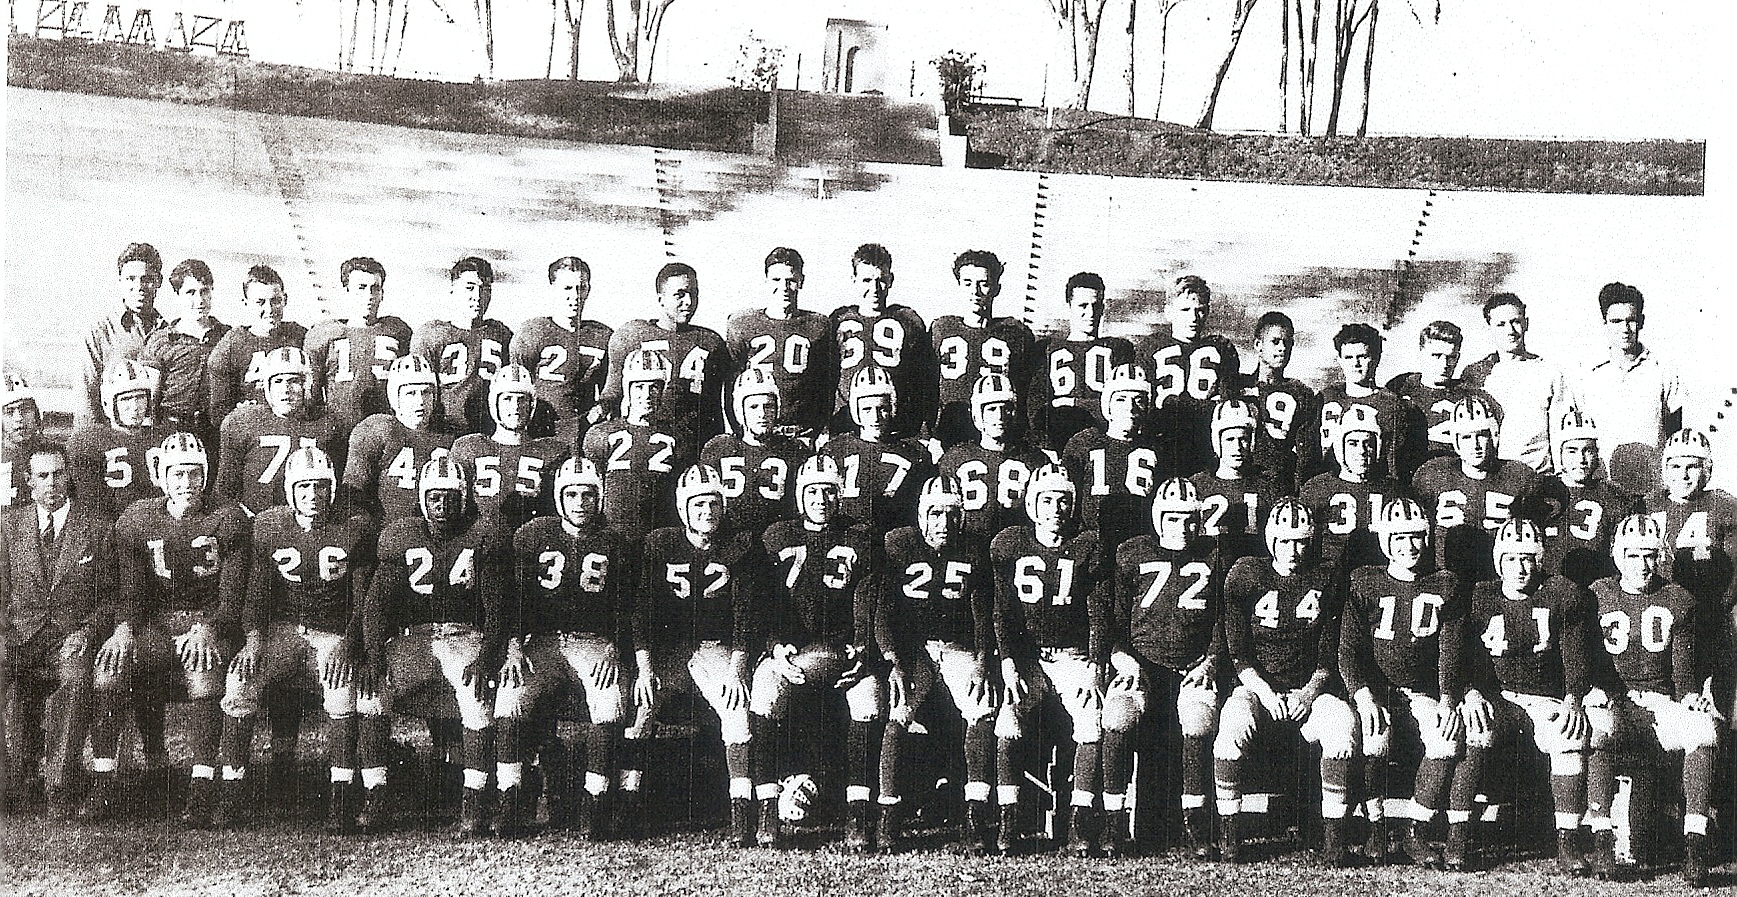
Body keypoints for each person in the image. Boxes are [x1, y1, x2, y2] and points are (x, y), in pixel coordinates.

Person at [85, 433, 251, 825]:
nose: (187, 483)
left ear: (206, 476)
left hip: (208, 623)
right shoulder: (139, 518)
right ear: (161, 475)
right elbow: (132, 592)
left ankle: (202, 785)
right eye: (178, 474)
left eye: (195, 474)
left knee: (204, 675)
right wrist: (124, 629)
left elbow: (232, 599)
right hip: (156, 624)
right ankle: (105, 780)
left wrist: (209, 627)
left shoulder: (228, 518)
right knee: (109, 669)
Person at [217, 446, 374, 832]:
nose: (312, 495)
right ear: (289, 491)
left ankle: (341, 795)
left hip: (333, 635)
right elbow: (256, 594)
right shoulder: (271, 527)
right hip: (284, 632)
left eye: (320, 487)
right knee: (239, 682)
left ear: (332, 488)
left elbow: (365, 601)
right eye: (303, 487)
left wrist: (347, 643)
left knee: (342, 694)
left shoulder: (354, 527)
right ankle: (232, 791)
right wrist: (253, 640)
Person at [357, 456, 512, 836]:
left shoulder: (482, 537)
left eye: (448, 497)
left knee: (477, 700)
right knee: (371, 696)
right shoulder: (400, 536)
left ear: (463, 499)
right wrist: (375, 657)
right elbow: (376, 605)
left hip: (463, 636)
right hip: (415, 637)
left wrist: (488, 655)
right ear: (421, 499)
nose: (441, 506)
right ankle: (376, 795)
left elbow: (498, 609)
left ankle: (474, 800)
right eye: (433, 498)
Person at [624, 463, 766, 846]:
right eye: (698, 504)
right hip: (670, 650)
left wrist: (737, 669)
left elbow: (746, 615)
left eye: (714, 504)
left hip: (715, 648)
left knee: (737, 712)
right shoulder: (659, 544)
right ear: (683, 508)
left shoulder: (739, 546)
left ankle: (742, 813)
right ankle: (627, 802)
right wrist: (644, 667)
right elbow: (643, 610)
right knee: (642, 707)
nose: (707, 512)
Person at [493, 457, 633, 838]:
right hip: (544, 643)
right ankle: (511, 799)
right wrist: (512, 647)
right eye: (571, 493)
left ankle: (595, 803)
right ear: (558, 497)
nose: (580, 501)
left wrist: (615, 648)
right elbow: (515, 598)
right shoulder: (534, 536)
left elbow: (629, 605)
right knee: (510, 697)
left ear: (600, 498)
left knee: (609, 704)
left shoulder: (615, 542)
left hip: (594, 644)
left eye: (589, 494)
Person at [753, 455, 884, 851]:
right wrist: (775, 647)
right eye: (813, 491)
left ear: (840, 494)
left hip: (844, 652)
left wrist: (864, 651)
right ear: (799, 495)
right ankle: (766, 812)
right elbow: (763, 600)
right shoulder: (777, 536)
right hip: (789, 652)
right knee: (763, 696)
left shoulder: (860, 538)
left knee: (870, 701)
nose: (821, 499)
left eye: (829, 490)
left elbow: (872, 601)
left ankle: (857, 817)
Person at [991, 463, 1121, 857]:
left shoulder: (1087, 546)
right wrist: (1009, 660)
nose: (1055, 508)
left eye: (1063, 501)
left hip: (1072, 656)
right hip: (1028, 657)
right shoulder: (1010, 544)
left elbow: (1100, 612)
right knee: (1009, 720)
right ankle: (1008, 820)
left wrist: (1097, 664)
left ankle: (1082, 818)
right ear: (1031, 504)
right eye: (1046, 500)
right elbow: (1002, 611)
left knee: (1091, 722)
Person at [1216, 499, 1355, 865]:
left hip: (1310, 688)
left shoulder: (1326, 576)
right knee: (1232, 724)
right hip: (1258, 687)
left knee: (1341, 724)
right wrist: (1265, 692)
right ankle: (1229, 835)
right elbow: (1240, 654)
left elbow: (1329, 655)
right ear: (1269, 539)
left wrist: (1309, 693)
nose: (1293, 550)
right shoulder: (1246, 574)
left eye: (1301, 541)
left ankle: (1334, 841)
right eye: (1285, 540)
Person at [1341, 498, 1477, 870]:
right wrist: (1363, 694)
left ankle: (1417, 829)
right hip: (1378, 689)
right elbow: (1349, 650)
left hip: (1423, 691)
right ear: (1385, 542)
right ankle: (1377, 826)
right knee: (1374, 737)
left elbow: (1451, 651)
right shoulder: (1365, 581)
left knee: (1447, 739)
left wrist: (1448, 699)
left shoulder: (1444, 585)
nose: (1409, 546)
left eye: (1416, 537)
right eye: (1399, 538)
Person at [1583, 514, 1718, 886]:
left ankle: (1695, 843)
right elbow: (1587, 659)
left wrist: (1690, 697)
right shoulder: (1596, 594)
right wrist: (1595, 689)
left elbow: (1682, 671)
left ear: (1660, 556)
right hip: (1616, 700)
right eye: (1632, 555)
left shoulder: (1678, 598)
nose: (1641, 565)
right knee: (1598, 724)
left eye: (1649, 555)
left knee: (1703, 731)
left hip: (1658, 703)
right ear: (1616, 555)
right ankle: (1601, 838)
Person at [1463, 519, 1595, 875]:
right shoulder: (1480, 596)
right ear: (1498, 561)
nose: (1520, 568)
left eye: (1528, 559)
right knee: (1475, 728)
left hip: (1545, 698)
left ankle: (1568, 842)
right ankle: (1457, 837)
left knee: (1569, 736)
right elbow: (1466, 656)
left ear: (1540, 560)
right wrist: (1472, 691)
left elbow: (1575, 655)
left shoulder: (1563, 594)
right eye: (1511, 559)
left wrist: (1573, 699)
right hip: (1499, 696)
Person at [876, 475, 999, 853]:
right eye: (934, 513)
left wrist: (981, 661)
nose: (941, 522)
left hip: (957, 647)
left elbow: (983, 613)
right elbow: (883, 609)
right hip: (914, 651)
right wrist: (894, 659)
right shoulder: (898, 545)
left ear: (960, 517)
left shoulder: (974, 550)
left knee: (981, 707)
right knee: (899, 711)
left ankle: (977, 813)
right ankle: (889, 815)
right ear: (920, 515)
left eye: (949, 514)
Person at [1107, 477, 1222, 859]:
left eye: (1190, 519)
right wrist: (1121, 656)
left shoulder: (1215, 556)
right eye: (1173, 519)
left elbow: (1225, 620)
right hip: (1141, 665)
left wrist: (1211, 661)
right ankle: (1111, 824)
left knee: (1197, 723)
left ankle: (1196, 825)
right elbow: (1115, 619)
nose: (1182, 527)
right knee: (1117, 718)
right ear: (1158, 518)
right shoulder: (1131, 554)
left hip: (1193, 666)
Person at [0, 442, 114, 817]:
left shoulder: (96, 527)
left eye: (58, 474)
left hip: (68, 636)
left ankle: (59, 786)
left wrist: (85, 632)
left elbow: (109, 597)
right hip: (19, 635)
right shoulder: (7, 526)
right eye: (43, 476)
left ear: (70, 477)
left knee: (77, 676)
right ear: (28, 481)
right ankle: (10, 781)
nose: (52, 483)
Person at [1640, 428, 1737, 724]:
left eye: (1692, 466)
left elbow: (1734, 574)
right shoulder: (1649, 504)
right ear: (1664, 469)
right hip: (1654, 610)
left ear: (1706, 470)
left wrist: (1714, 609)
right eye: (1675, 466)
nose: (1683, 475)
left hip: (1705, 618)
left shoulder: (1722, 507)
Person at [1410, 396, 1545, 585]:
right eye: (1466, 437)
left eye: (1481, 435)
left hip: (1498, 583)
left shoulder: (1520, 476)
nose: (1475, 444)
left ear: (1494, 436)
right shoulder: (1432, 474)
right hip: (1444, 580)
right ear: (1455, 441)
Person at [599, 262, 732, 446]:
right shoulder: (632, 336)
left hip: (693, 445)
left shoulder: (711, 341)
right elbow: (612, 396)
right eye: (680, 294)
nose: (689, 302)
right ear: (661, 299)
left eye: (693, 294)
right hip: (645, 445)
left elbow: (716, 405)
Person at [1576, 282, 1684, 492]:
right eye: (1616, 321)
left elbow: (1675, 432)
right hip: (1602, 487)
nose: (1624, 329)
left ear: (1641, 322)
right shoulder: (1587, 374)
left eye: (1631, 321)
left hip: (1653, 487)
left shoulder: (1663, 370)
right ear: (1604, 323)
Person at [215, 346, 345, 516]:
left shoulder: (327, 424)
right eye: (278, 381)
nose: (286, 389)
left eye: (293, 381)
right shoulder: (242, 422)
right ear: (267, 386)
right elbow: (226, 490)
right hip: (253, 519)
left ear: (307, 384)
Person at [582, 349, 694, 542]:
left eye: (654, 387)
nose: (647, 394)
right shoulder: (601, 433)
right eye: (639, 387)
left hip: (659, 532)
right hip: (611, 533)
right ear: (627, 389)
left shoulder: (679, 436)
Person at [723, 248, 836, 438]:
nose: (784, 287)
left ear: (801, 281)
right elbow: (732, 385)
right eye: (776, 280)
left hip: (802, 431)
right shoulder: (742, 324)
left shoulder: (819, 326)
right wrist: (740, 429)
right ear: (766, 280)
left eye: (791, 281)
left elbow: (825, 385)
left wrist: (818, 429)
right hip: (757, 431)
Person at [931, 251, 1037, 449]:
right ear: (959, 285)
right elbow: (928, 388)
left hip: (998, 433)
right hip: (952, 430)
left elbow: (1026, 394)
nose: (975, 291)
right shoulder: (942, 329)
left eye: (983, 283)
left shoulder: (1015, 333)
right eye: (968, 283)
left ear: (996, 288)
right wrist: (930, 435)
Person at [1137, 275, 1241, 478]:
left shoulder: (1220, 348)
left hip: (1204, 445)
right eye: (1185, 310)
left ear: (1207, 312)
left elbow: (1226, 406)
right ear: (1169, 312)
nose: (1193, 318)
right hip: (1161, 442)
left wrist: (1175, 404)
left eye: (1199, 310)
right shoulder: (1152, 346)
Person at [450, 364, 570, 532]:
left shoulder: (552, 451)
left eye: (522, 399)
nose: (515, 407)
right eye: (507, 399)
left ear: (532, 404)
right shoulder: (469, 447)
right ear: (494, 403)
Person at [1299, 405, 1408, 591]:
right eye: (1353, 443)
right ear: (1340, 446)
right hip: (1328, 581)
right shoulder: (1317, 488)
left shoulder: (1393, 490)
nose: (1362, 450)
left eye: (1368, 443)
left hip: (1378, 584)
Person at [830, 244, 933, 439]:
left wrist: (924, 433)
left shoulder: (907, 320)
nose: (874, 288)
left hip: (896, 428)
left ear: (890, 280)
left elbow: (923, 381)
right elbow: (826, 379)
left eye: (881, 280)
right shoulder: (839, 320)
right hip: (847, 426)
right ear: (854, 280)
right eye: (866, 280)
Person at [1460, 293, 1570, 475]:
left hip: (1537, 477)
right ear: (1490, 328)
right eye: (1500, 324)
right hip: (1491, 479)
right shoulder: (1475, 374)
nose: (1510, 330)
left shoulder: (1549, 373)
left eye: (1515, 321)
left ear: (1526, 323)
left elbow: (1561, 433)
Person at [1027, 272, 1135, 452]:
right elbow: (1036, 408)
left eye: (1096, 305)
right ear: (1069, 306)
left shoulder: (1118, 349)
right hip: (1058, 443)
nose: (1090, 313)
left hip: (1104, 443)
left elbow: (1122, 406)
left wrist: (1071, 403)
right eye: (1083, 305)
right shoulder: (1047, 349)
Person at [508, 256, 613, 441]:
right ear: (553, 289)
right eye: (567, 288)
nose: (575, 295)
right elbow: (515, 388)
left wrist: (599, 411)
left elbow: (610, 392)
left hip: (584, 432)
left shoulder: (602, 336)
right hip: (539, 431)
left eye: (581, 288)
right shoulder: (532, 332)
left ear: (588, 290)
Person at [819, 366, 934, 535]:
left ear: (892, 408)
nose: (875, 417)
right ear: (855, 410)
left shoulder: (913, 452)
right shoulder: (835, 449)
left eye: (882, 409)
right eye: (867, 409)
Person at [342, 355, 456, 523]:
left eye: (426, 392)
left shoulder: (448, 436)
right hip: (386, 530)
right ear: (395, 396)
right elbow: (354, 492)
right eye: (411, 393)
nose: (420, 401)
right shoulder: (379, 429)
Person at [1062, 364, 1163, 554]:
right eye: (1121, 399)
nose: (1130, 407)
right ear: (1107, 404)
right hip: (1092, 540)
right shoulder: (1084, 442)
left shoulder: (1156, 447)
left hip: (1139, 544)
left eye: (1139, 400)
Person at [304, 258, 412, 433]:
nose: (369, 295)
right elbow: (312, 396)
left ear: (382, 293)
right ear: (346, 291)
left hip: (385, 430)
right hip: (338, 432)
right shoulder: (324, 334)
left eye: (375, 288)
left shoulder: (398, 331)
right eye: (361, 288)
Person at [937, 374, 1050, 540]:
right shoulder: (955, 457)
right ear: (977, 414)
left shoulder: (1035, 459)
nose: (1000, 416)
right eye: (991, 409)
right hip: (969, 545)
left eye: (1006, 409)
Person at [412, 257, 515, 435]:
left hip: (489, 435)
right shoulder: (432, 334)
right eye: (470, 287)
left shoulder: (502, 334)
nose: (477, 296)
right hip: (443, 432)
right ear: (453, 288)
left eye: (485, 289)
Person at [701, 367, 807, 537]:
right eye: (753, 407)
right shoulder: (719, 448)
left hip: (776, 542)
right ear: (739, 410)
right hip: (730, 541)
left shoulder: (793, 450)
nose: (762, 414)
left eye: (769, 406)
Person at [1540, 408, 1637, 588]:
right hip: (1548, 592)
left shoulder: (1613, 496)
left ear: (1597, 453)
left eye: (1587, 450)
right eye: (1572, 451)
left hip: (1597, 589)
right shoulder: (1542, 491)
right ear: (1559, 453)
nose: (1581, 459)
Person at [1306, 323, 1412, 482]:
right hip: (1328, 488)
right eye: (1348, 357)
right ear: (1340, 360)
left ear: (1376, 358)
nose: (1355, 364)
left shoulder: (1391, 405)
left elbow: (1395, 467)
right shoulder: (1325, 398)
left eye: (1362, 357)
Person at [138, 259, 229, 442]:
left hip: (215, 433)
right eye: (191, 292)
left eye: (205, 291)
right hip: (171, 430)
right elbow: (149, 397)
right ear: (178, 294)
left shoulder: (227, 337)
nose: (199, 300)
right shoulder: (161, 340)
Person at [80, 243, 168, 429]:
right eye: (130, 279)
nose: (139, 287)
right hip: (113, 441)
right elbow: (87, 400)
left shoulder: (169, 333)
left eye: (147, 279)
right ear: (120, 281)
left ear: (158, 281)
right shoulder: (100, 333)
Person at [210, 265, 310, 428]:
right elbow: (218, 412)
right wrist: (240, 414)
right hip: (252, 433)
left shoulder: (299, 336)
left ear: (285, 299)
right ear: (246, 303)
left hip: (293, 427)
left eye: (275, 301)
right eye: (260, 302)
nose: (269, 309)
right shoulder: (231, 346)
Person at [1387, 320, 1497, 467]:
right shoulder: (1401, 387)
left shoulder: (1472, 395)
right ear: (1421, 353)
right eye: (1436, 355)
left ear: (1457, 357)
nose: (1444, 364)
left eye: (1450, 357)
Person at [1191, 399, 1280, 567]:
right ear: (1217, 442)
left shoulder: (1266, 486)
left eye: (1243, 439)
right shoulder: (1196, 485)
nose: (1238, 447)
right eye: (1230, 439)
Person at [1242, 312, 1318, 494]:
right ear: (1258, 345)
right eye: (1275, 342)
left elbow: (1306, 453)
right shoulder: (1239, 386)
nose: (1282, 348)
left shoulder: (1301, 393)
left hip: (1280, 485)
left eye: (1288, 342)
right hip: (1244, 480)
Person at [3, 373, 48, 510]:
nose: (19, 418)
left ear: (36, 414)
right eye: (9, 412)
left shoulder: (53, 455)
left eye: (25, 409)